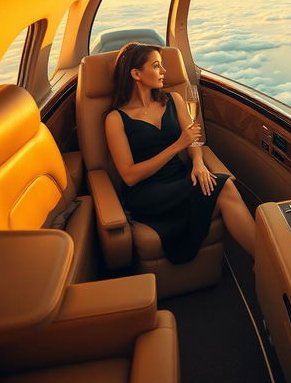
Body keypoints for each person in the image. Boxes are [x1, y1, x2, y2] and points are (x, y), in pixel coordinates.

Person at [105, 42, 255, 263]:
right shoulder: (115, 119)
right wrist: (177, 146)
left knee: (223, 185)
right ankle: (269, 262)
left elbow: (193, 138)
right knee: (224, 185)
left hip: (180, 176)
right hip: (146, 192)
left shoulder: (174, 99)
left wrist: (198, 163)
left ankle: (265, 260)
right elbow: (129, 176)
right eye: (156, 66)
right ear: (136, 74)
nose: (164, 71)